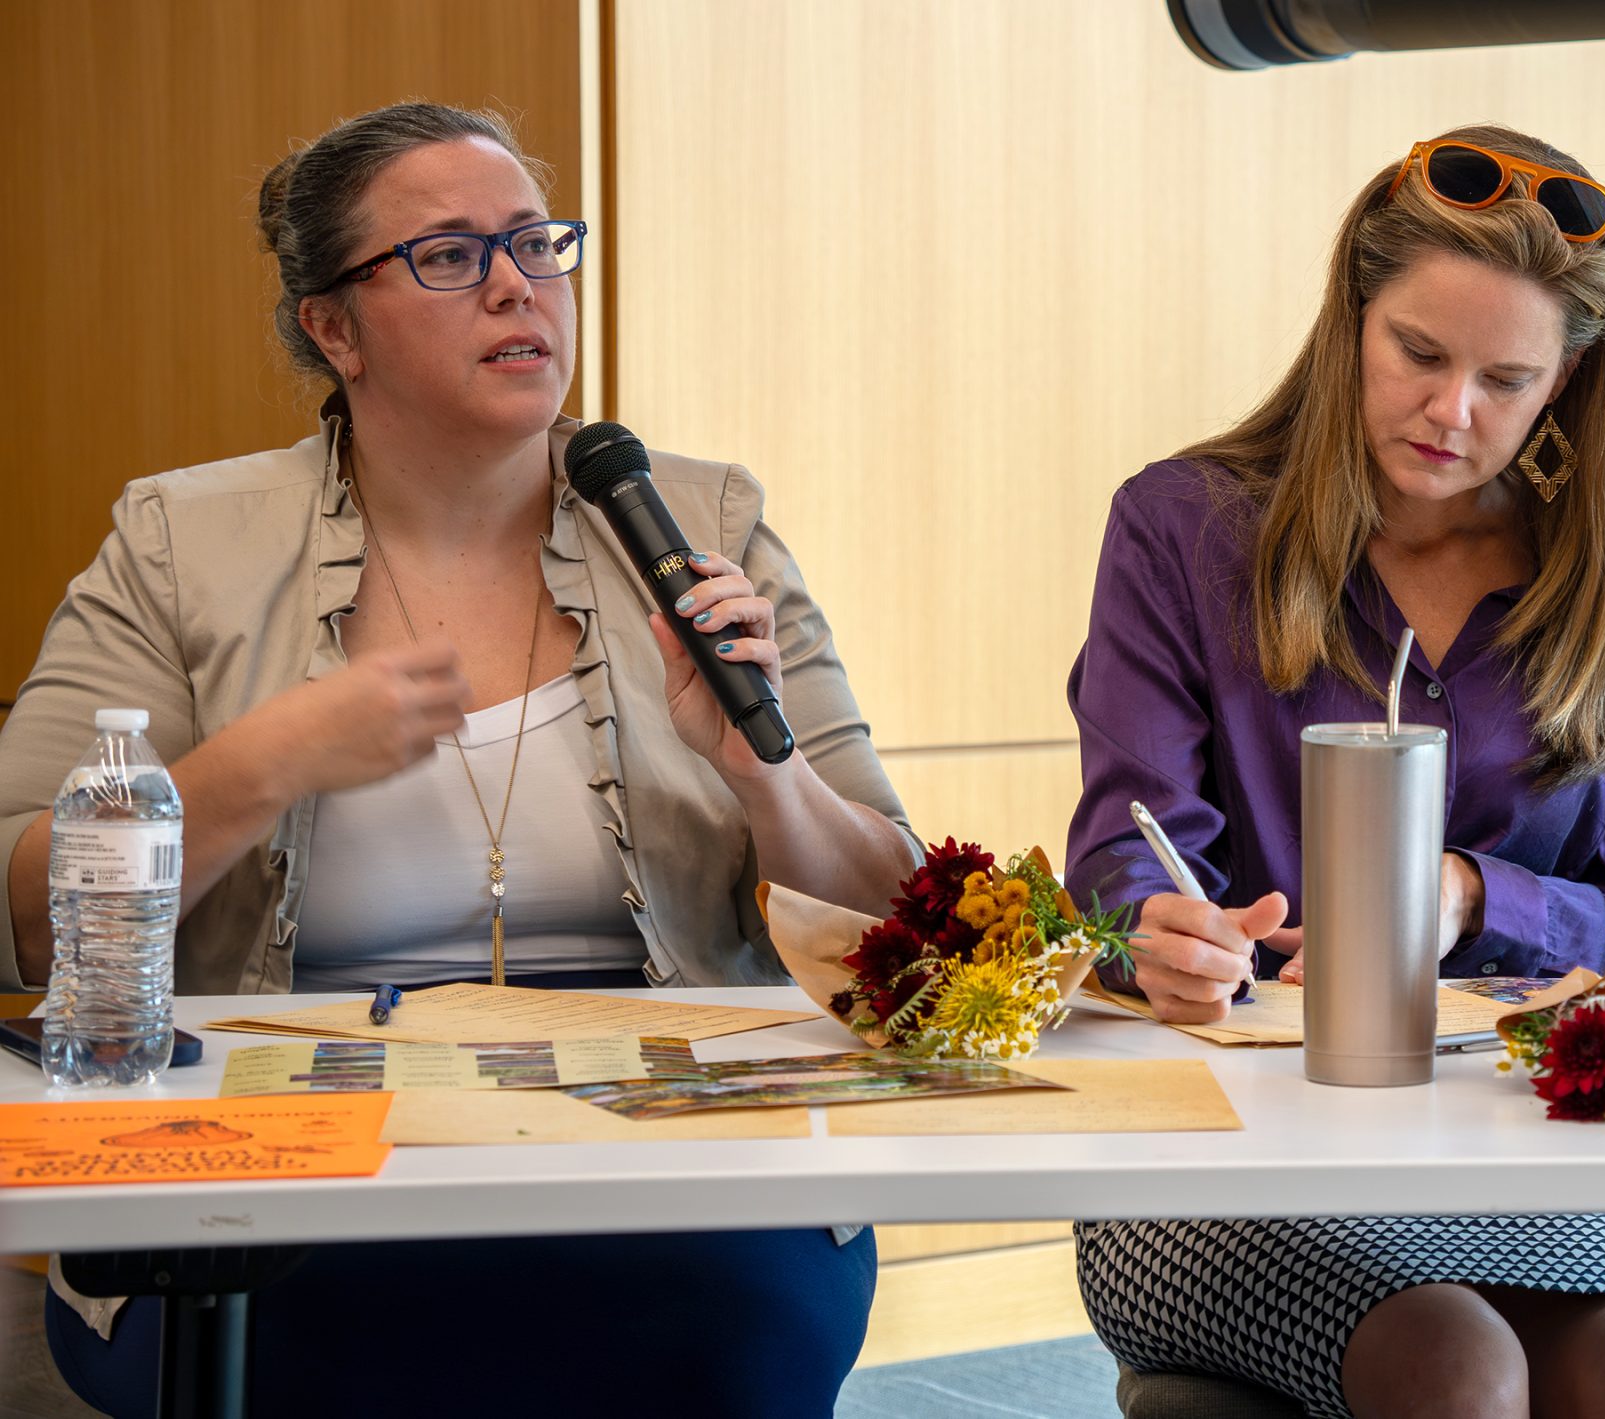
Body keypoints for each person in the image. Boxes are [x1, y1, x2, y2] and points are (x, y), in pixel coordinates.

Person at [0, 102, 919, 1417]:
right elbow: (20, 908)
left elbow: (902, 922)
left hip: (668, 1177)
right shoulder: (178, 543)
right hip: (281, 1177)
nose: (514, 284)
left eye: (538, 244)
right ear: (332, 325)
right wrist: (260, 764)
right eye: (448, 255)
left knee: (733, 1332)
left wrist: (760, 772)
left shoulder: (702, 520)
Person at [1064, 126, 1605, 1418]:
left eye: (1507, 377)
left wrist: (1480, 901)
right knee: (1453, 1359)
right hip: (1216, 1144)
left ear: (1570, 382)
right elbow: (1119, 859)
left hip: (1508, 1145)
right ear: (1350, 320)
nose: (1452, 412)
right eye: (1418, 354)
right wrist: (1153, 935)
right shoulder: (1183, 527)